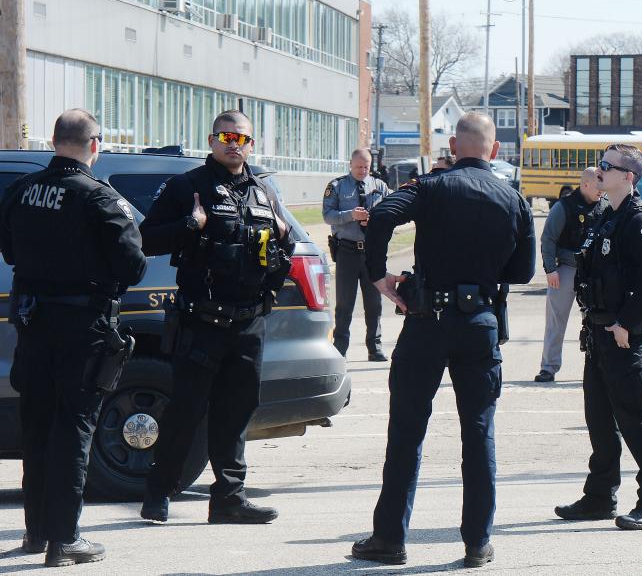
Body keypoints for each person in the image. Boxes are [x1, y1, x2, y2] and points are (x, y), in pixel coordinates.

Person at [350, 112, 535, 568]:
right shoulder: (513, 197)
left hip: (427, 319)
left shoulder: (431, 186)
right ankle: (477, 542)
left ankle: (389, 539)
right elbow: (524, 270)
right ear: (494, 151)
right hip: (479, 324)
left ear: (454, 145)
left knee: (407, 432)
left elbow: (382, 216)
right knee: (478, 434)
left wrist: (378, 276)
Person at [0, 109, 146, 567]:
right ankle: (65, 539)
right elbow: (134, 266)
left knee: (38, 425)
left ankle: (36, 533)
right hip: (83, 329)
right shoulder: (99, 197)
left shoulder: (21, 191)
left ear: (53, 140)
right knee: (75, 428)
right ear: (95, 145)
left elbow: (8, 248)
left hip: (33, 323)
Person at [139, 110, 294, 524]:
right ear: (211, 140)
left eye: (241, 138)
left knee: (236, 412)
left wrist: (283, 240)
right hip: (201, 322)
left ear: (251, 144)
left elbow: (286, 248)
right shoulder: (187, 186)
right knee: (186, 410)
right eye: (225, 136)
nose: (233, 144)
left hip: (249, 323)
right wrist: (191, 223)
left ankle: (229, 497)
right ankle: (159, 492)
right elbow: (146, 239)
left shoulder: (262, 190)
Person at [554, 143, 642, 532]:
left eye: (608, 166)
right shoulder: (607, 214)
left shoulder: (638, 221)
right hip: (600, 332)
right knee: (600, 420)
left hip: (625, 335)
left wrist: (625, 322)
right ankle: (599, 496)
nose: (599, 170)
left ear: (629, 177)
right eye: (601, 165)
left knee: (637, 418)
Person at [535, 167, 607, 382]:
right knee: (556, 321)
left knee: (598, 320)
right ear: (585, 184)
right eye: (598, 185)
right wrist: (550, 269)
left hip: (594, 271)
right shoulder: (563, 207)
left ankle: (599, 366)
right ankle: (549, 367)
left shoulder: (605, 206)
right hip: (566, 269)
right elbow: (548, 239)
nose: (601, 190)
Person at [323, 148, 391, 360]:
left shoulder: (379, 186)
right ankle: (340, 346)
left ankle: (375, 346)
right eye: (358, 167)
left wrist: (375, 221)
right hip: (347, 252)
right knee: (345, 303)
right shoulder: (337, 186)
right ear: (350, 165)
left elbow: (391, 212)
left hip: (371, 253)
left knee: (374, 303)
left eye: (366, 167)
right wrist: (351, 215)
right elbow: (328, 215)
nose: (362, 171)